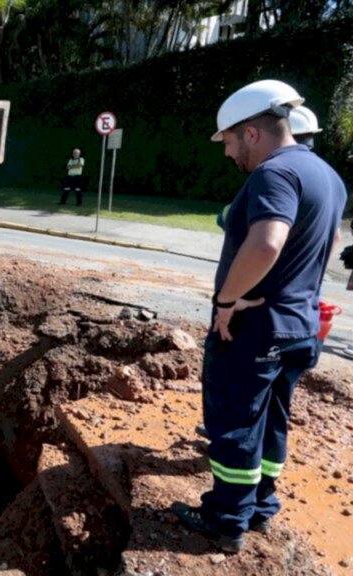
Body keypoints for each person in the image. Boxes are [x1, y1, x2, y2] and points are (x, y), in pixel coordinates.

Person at [171, 79, 347, 553]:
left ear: (251, 132)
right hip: (300, 327)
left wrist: (227, 301)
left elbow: (268, 241)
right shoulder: (327, 176)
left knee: (236, 422)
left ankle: (226, 520)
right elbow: (327, 245)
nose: (229, 154)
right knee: (272, 419)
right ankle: (261, 507)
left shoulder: (274, 173)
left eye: (229, 142)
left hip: (256, 329)